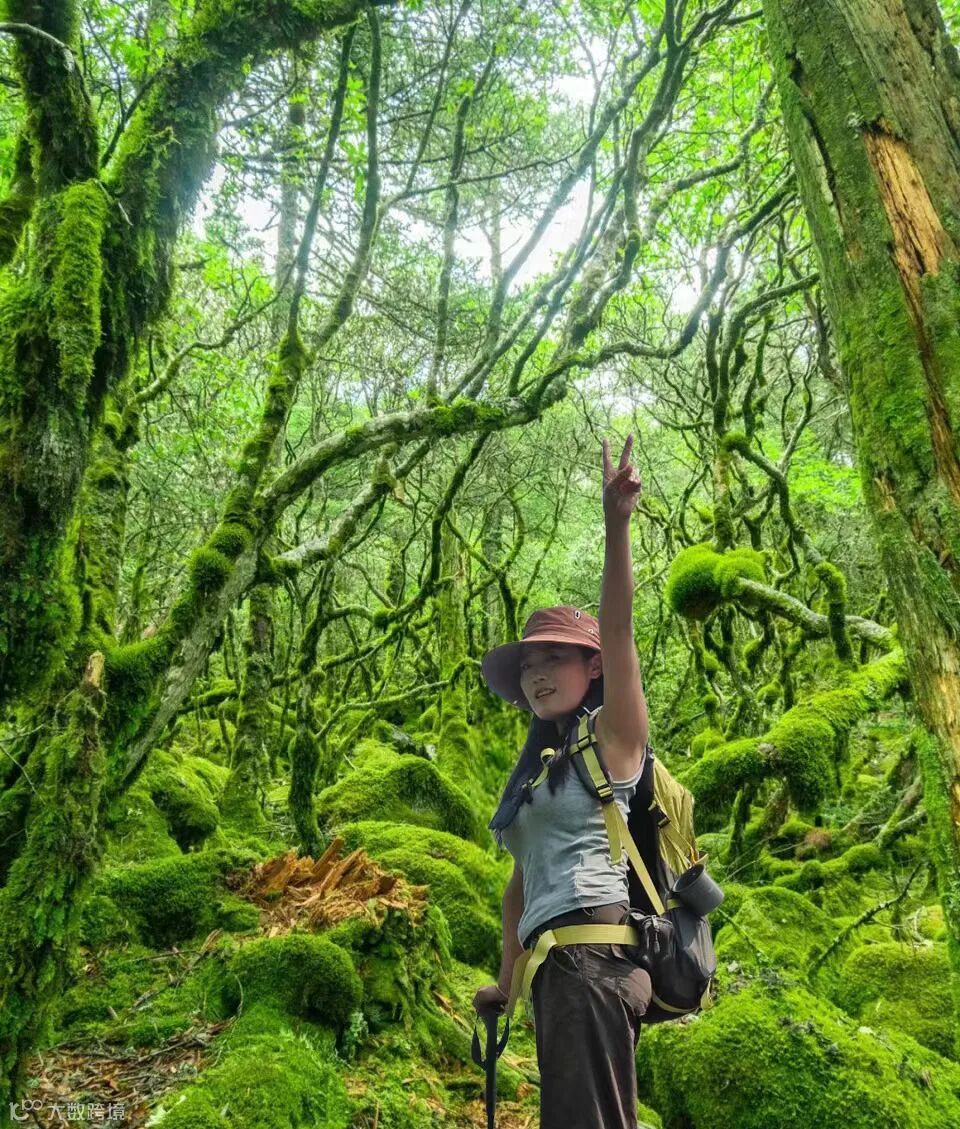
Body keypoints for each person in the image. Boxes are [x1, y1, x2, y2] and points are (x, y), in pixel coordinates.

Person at [472, 434, 653, 1129]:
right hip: (559, 971)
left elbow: (620, 630)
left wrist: (616, 524)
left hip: (593, 960)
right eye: (528, 664)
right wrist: (507, 983)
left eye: (555, 657)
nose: (537, 673)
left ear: (593, 667)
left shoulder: (613, 738)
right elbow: (520, 887)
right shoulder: (541, 769)